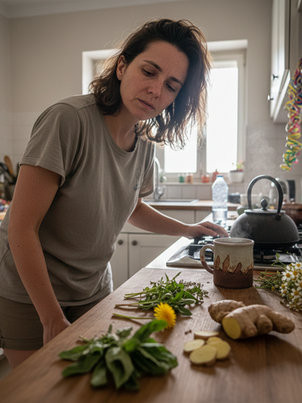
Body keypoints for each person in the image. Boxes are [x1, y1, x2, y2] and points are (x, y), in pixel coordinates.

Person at [0, 18, 228, 369]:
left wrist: (187, 230)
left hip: (92, 290)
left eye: (171, 85)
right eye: (149, 72)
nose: (156, 90)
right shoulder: (68, 120)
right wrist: (50, 316)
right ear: (122, 66)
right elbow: (21, 226)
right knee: (40, 390)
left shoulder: (145, 145)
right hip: (31, 294)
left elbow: (130, 206)